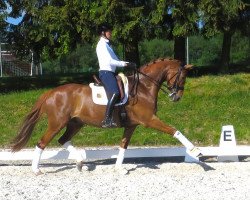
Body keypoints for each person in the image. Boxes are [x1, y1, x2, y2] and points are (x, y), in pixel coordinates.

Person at [96, 23, 130, 128]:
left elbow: (116, 60)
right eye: (108, 31)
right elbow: (110, 61)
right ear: (103, 33)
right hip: (105, 73)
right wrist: (124, 64)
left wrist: (127, 64)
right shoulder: (101, 45)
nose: (110, 33)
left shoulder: (107, 45)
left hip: (111, 72)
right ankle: (107, 119)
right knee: (115, 92)